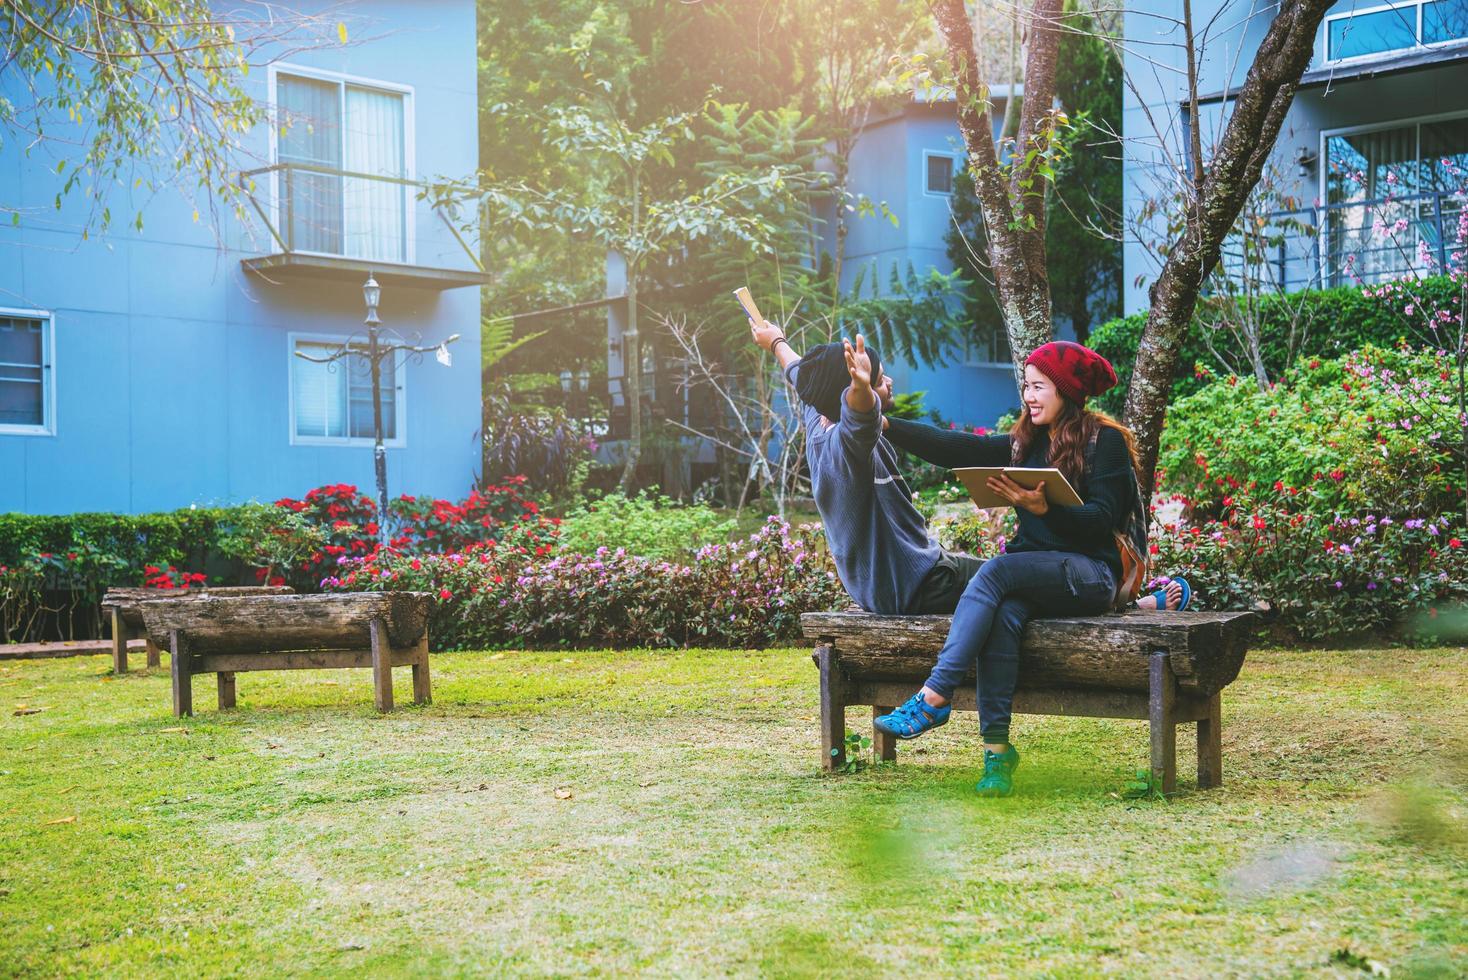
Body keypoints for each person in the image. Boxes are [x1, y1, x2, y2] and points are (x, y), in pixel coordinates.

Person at [871, 339, 1173, 798]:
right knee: (1003, 615)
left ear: (1066, 390)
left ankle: (933, 697)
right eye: (1026, 387)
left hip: (1091, 575)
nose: (1029, 397)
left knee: (995, 572)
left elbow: (1099, 522)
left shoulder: (1103, 441)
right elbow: (957, 448)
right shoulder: (1024, 443)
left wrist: (1044, 507)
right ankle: (997, 756)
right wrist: (884, 423)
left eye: (1039, 387)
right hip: (1037, 574)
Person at [747, 319, 1189, 615]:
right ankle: (1141, 606)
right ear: (850, 392)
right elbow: (860, 414)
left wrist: (776, 342)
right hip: (913, 581)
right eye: (879, 378)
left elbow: (801, 376)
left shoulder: (815, 416)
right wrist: (863, 391)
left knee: (1011, 576)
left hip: (879, 584)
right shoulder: (849, 440)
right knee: (1015, 582)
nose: (888, 382)